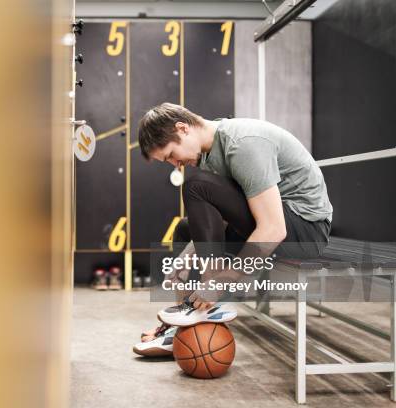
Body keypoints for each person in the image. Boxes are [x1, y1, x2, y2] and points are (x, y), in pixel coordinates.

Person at [136, 103, 332, 349]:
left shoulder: (242, 144)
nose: (177, 164)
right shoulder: (209, 152)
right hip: (279, 223)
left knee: (195, 188)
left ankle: (208, 306)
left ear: (183, 128)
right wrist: (185, 258)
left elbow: (273, 229)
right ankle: (185, 327)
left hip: (306, 231)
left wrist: (220, 284)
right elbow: (223, 217)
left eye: (171, 155)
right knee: (185, 230)